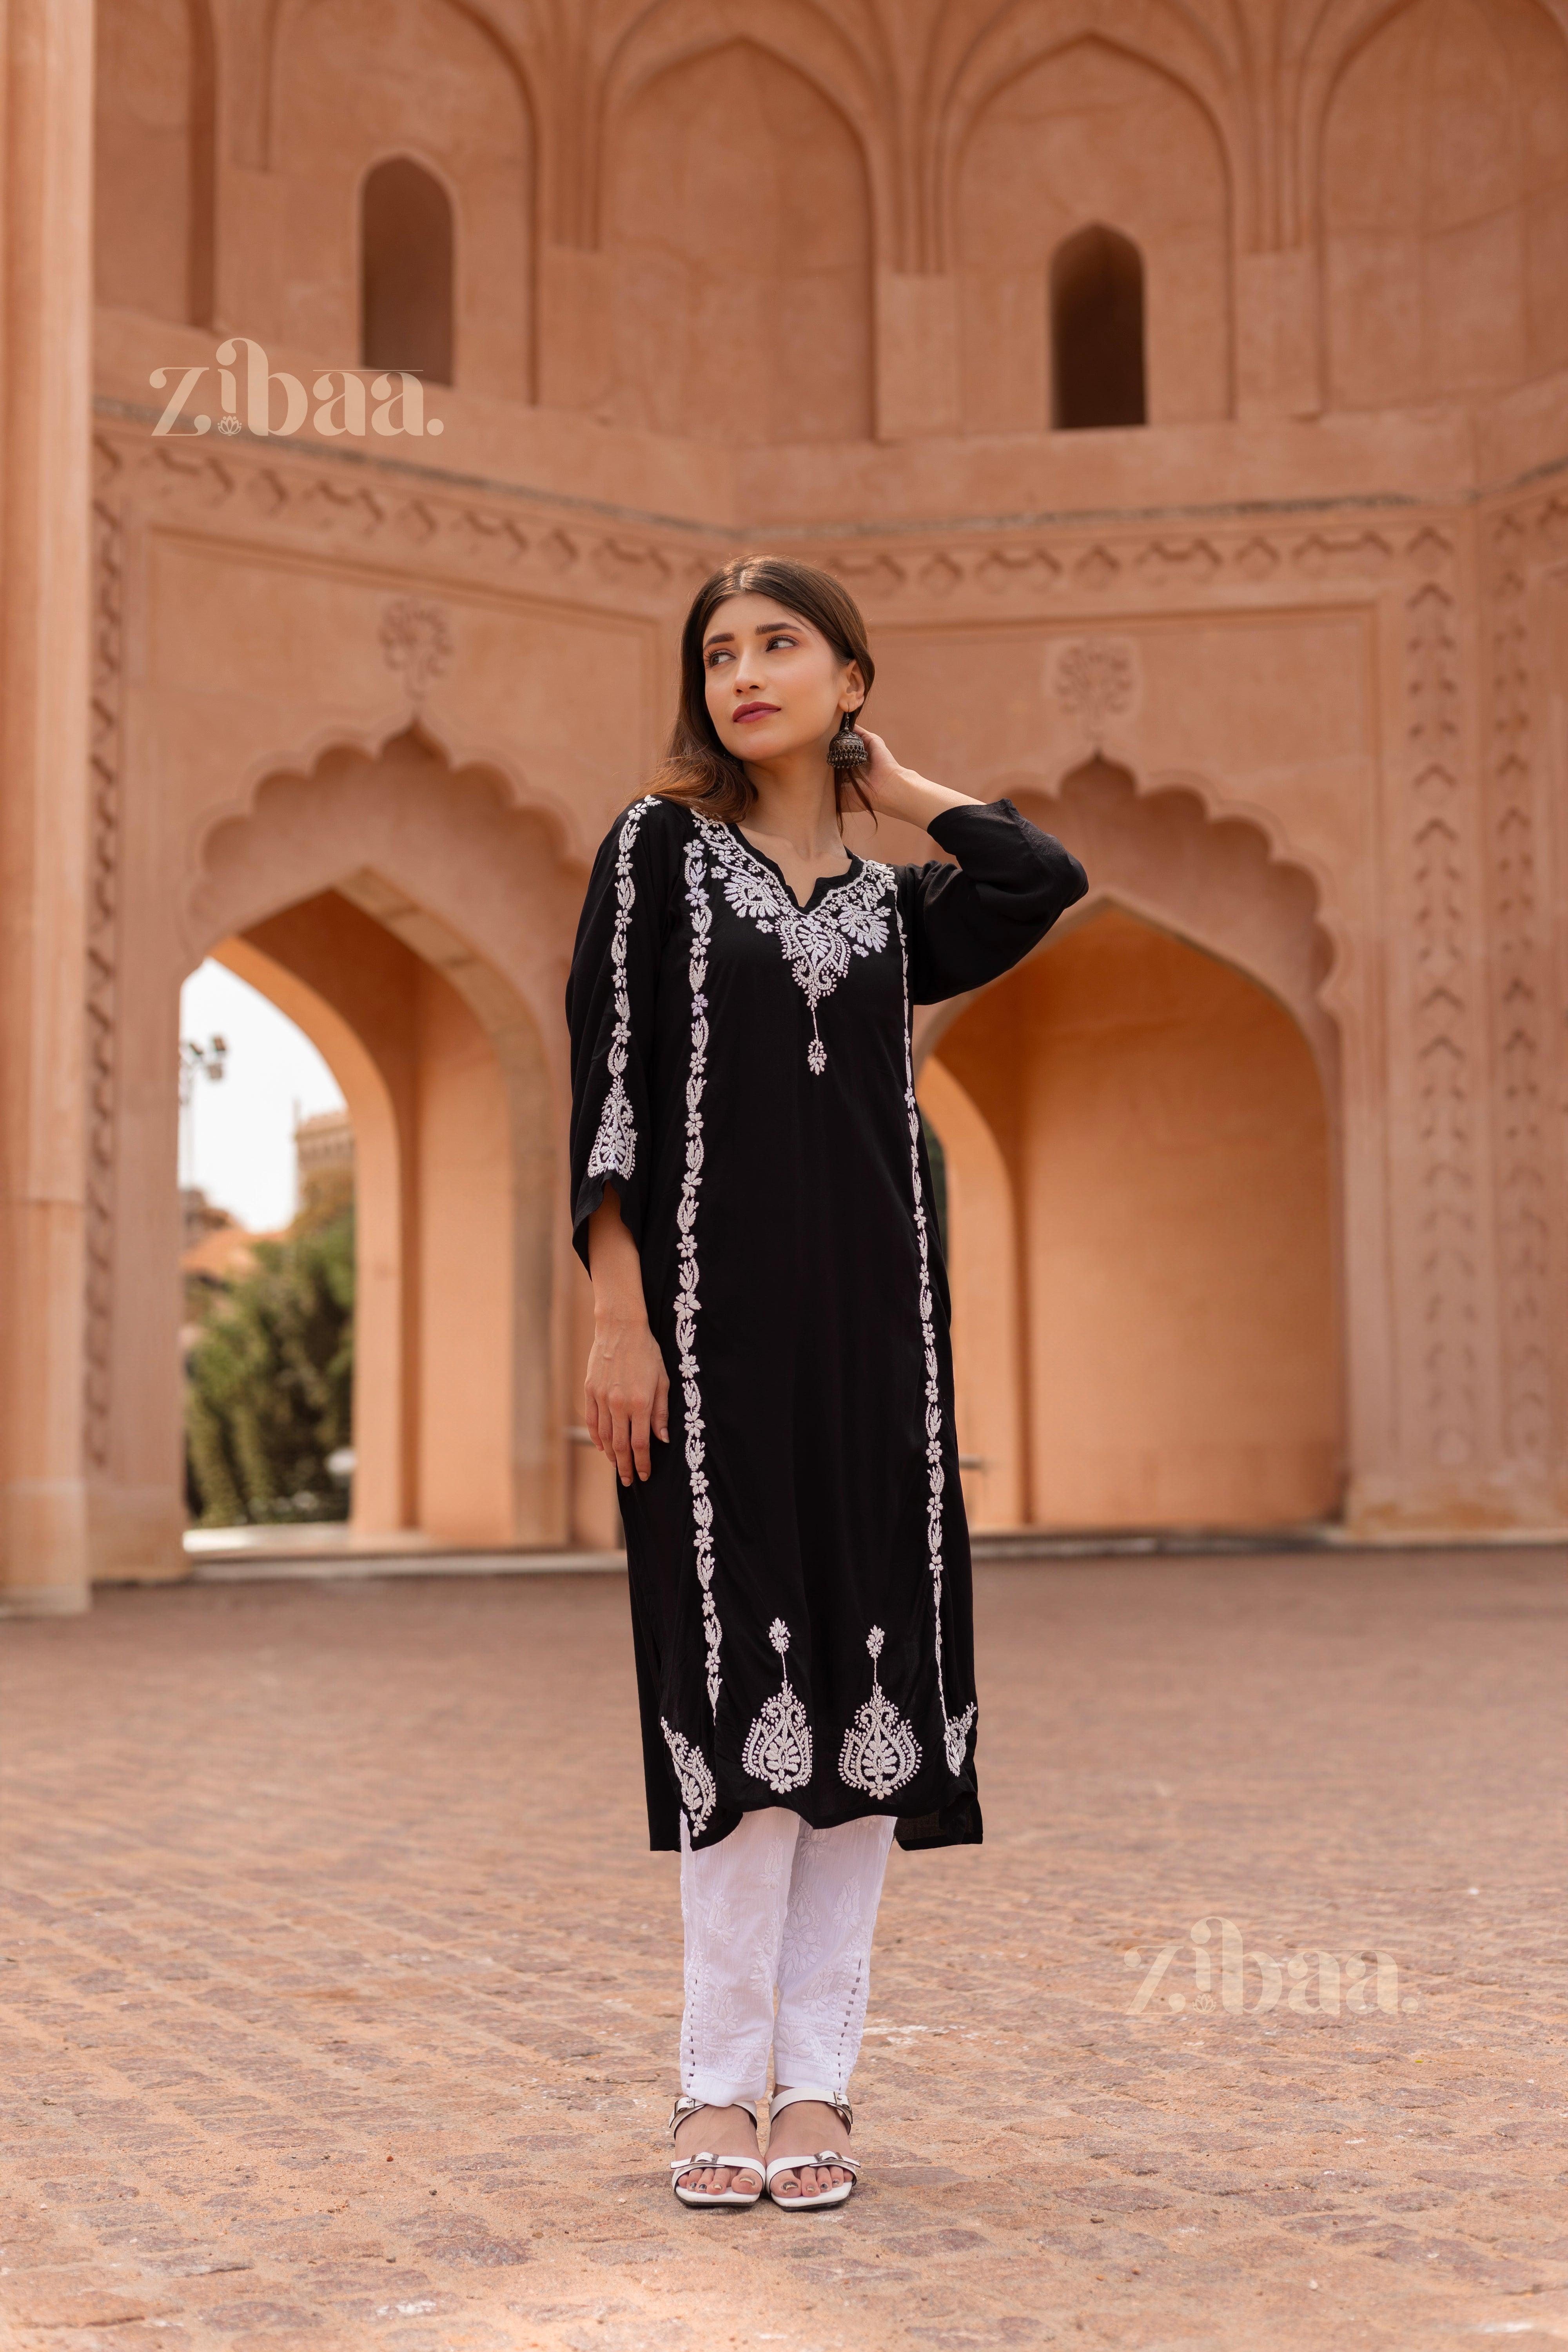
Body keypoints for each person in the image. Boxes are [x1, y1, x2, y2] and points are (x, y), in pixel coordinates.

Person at [566, 556, 1087, 2210]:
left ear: (849, 678)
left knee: (869, 1696)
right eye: (717, 652)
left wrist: (892, 784)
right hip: (707, 1343)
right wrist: (614, 1313)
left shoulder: (893, 909)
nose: (742, 674)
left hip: (881, 1346)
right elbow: (610, 1090)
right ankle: (712, 2086)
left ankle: (821, 2089)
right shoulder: (657, 855)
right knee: (736, 1697)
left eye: (780, 646)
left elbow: (1041, 874)